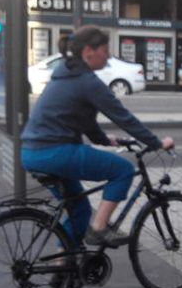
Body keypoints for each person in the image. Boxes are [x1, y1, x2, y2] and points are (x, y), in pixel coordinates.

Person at [20, 26, 174, 248]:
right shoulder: (87, 82)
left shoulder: (66, 74)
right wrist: (157, 143)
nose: (109, 55)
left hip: (32, 153)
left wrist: (103, 139)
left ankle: (62, 267)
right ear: (88, 52)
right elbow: (124, 118)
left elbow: (83, 119)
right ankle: (99, 229)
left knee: (80, 209)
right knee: (123, 170)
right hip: (55, 152)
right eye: (105, 49)